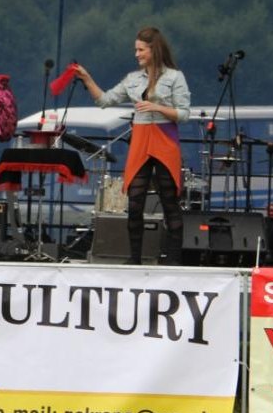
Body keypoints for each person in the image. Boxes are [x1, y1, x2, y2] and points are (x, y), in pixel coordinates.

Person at [75, 27, 190, 265]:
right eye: (136, 50)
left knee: (169, 201)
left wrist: (157, 107)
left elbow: (184, 114)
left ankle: (174, 260)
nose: (136, 54)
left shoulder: (174, 77)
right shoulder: (132, 79)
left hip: (164, 137)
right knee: (135, 201)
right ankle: (134, 258)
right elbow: (105, 100)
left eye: (140, 50)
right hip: (140, 138)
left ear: (153, 49)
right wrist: (86, 78)